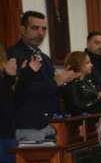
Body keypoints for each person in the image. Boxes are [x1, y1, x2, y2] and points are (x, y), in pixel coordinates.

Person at [8, 11, 76, 139]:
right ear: (22, 29)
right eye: (35, 28)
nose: (40, 33)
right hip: (27, 125)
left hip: (49, 123)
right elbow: (21, 90)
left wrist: (66, 81)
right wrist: (55, 82)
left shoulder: (44, 58)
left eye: (44, 29)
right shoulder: (12, 55)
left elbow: (52, 88)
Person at [60, 51, 101, 115]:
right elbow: (77, 108)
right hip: (80, 121)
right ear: (78, 64)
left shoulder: (88, 81)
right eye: (87, 63)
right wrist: (100, 100)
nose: (91, 65)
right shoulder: (71, 84)